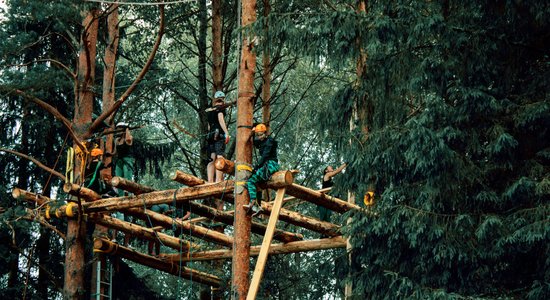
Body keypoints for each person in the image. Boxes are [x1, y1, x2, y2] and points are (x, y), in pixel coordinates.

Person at [243, 123, 279, 215]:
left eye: (261, 134)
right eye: (258, 135)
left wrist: (256, 167)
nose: (259, 137)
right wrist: (251, 133)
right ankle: (258, 206)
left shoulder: (269, 141)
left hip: (270, 165)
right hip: (266, 165)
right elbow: (249, 141)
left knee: (250, 181)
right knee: (257, 184)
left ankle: (252, 202)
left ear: (265, 133)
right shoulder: (260, 141)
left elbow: (265, 156)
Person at [206, 91, 231, 184]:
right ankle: (218, 181)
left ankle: (210, 181)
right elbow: (221, 120)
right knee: (220, 157)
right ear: (223, 100)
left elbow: (209, 126)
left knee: (212, 158)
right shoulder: (220, 109)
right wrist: (226, 133)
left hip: (211, 136)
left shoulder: (209, 110)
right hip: (218, 135)